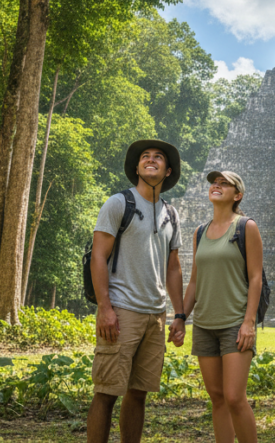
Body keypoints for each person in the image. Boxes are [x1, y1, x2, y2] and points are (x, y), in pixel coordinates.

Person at [86, 139, 188, 443]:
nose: (151, 159)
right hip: (122, 310)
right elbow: (98, 257)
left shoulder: (171, 214)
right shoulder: (119, 203)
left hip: (155, 315)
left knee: (138, 393)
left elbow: (173, 268)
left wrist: (179, 314)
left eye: (158, 157)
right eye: (145, 156)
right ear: (136, 167)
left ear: (168, 171)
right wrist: (105, 308)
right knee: (106, 392)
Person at [182, 170, 263, 443]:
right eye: (214, 183)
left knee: (234, 397)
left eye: (223, 184)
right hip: (204, 324)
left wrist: (249, 322)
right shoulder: (199, 232)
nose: (216, 186)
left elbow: (255, 278)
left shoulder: (246, 227)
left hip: (234, 323)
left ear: (237, 195)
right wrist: (181, 317)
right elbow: (194, 281)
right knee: (217, 398)